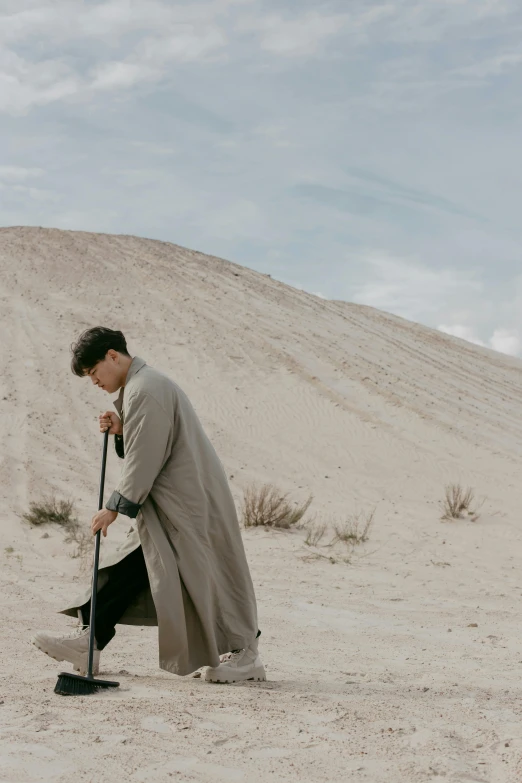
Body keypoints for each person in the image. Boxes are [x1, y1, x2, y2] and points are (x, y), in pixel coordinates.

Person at [32, 327, 265, 684]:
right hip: (172, 504)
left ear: (113, 356)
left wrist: (113, 506)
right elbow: (149, 442)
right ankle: (90, 639)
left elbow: (145, 459)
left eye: (94, 371)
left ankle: (247, 654)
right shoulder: (142, 388)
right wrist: (123, 430)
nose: (93, 380)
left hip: (187, 506)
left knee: (215, 575)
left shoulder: (146, 389)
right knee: (127, 567)